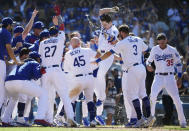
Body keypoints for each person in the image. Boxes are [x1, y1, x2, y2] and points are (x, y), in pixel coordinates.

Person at [92, 24, 154, 128]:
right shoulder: (138, 39)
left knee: (132, 95)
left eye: (120, 34)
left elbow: (109, 53)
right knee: (143, 93)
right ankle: (150, 117)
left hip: (131, 70)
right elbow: (147, 50)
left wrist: (98, 60)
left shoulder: (123, 42)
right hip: (141, 67)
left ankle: (140, 118)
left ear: (121, 33)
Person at [39, 16, 77, 127]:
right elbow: (62, 28)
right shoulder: (60, 39)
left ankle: (47, 119)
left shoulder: (42, 43)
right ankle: (70, 117)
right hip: (56, 69)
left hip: (45, 70)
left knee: (47, 96)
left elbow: (40, 58)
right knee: (64, 95)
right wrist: (58, 20)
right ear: (56, 33)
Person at [146, 33, 187, 128]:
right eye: (160, 43)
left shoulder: (172, 50)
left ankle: (182, 121)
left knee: (176, 99)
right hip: (158, 77)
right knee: (152, 96)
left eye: (163, 42)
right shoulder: (155, 49)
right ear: (157, 42)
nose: (161, 45)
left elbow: (179, 64)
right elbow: (149, 60)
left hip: (170, 77)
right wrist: (148, 65)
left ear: (166, 40)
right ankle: (151, 118)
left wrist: (179, 78)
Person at [1, 52, 49, 127]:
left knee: (13, 99)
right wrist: (42, 70)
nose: (40, 59)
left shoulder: (21, 63)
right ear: (36, 58)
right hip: (19, 81)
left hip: (8, 83)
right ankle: (39, 117)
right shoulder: (34, 62)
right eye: (39, 58)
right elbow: (36, 75)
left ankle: (5, 120)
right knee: (43, 94)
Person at [64, 37, 99, 127]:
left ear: (71, 44)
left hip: (78, 79)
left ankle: (72, 119)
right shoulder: (87, 50)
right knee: (89, 100)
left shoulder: (68, 54)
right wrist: (96, 44)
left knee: (72, 100)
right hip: (89, 77)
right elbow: (98, 55)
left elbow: (66, 69)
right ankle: (92, 120)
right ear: (80, 43)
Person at [94, 6, 119, 125]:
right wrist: (112, 10)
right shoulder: (104, 25)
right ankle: (98, 114)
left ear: (110, 23)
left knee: (99, 75)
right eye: (102, 23)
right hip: (99, 53)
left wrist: (107, 36)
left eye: (105, 24)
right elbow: (100, 11)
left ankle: (101, 98)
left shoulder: (114, 29)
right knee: (93, 80)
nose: (103, 25)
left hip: (108, 56)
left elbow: (114, 41)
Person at [0, 17, 21, 111]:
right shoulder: (6, 33)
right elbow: (8, 49)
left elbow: (4, 49)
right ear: (8, 25)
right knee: (1, 90)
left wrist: (14, 49)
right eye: (11, 25)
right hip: (0, 62)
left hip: (2, 60)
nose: (12, 26)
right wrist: (16, 62)